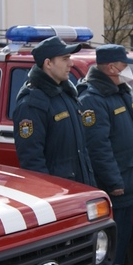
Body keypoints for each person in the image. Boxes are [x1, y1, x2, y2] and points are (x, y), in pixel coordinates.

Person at [78, 46, 133, 265]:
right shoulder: (92, 99)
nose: (128, 70)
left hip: (129, 177)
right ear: (111, 68)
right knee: (112, 238)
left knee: (124, 235)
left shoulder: (120, 92)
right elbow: (98, 147)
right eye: (124, 65)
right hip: (117, 183)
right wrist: (112, 181)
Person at [13, 35, 95, 185]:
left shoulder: (66, 94)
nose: (71, 63)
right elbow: (32, 161)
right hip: (59, 193)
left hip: (79, 187)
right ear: (48, 63)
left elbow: (80, 151)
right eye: (65, 59)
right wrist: (52, 197)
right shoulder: (32, 104)